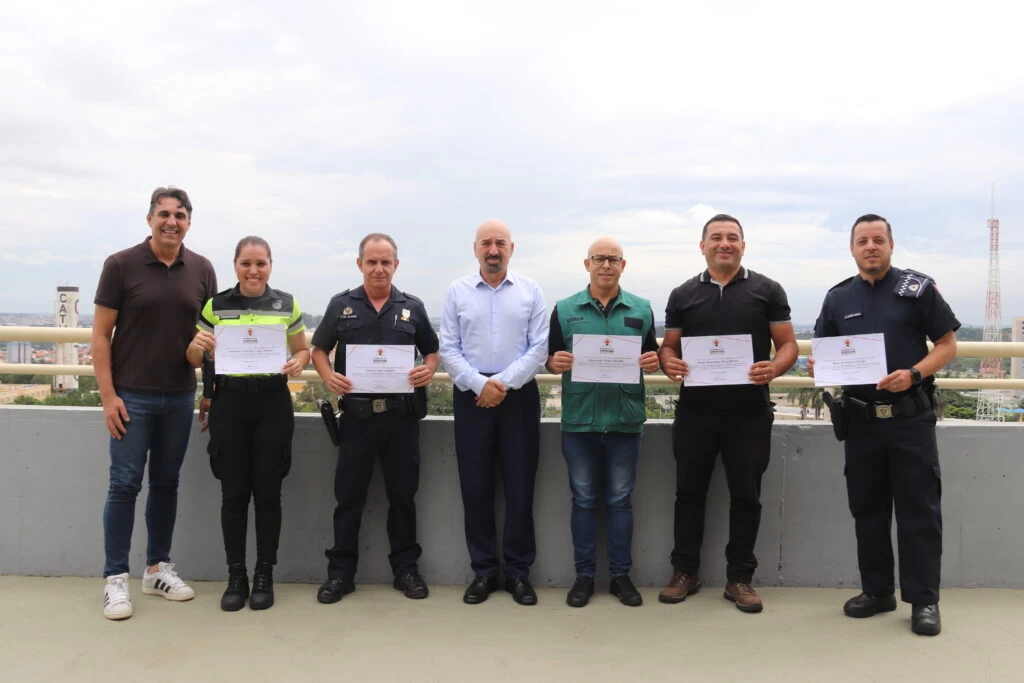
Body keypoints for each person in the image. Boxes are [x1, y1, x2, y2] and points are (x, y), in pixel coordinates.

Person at [810, 214, 958, 636]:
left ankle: (924, 601)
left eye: (878, 240)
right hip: (861, 423)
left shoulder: (917, 289)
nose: (870, 246)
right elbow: (824, 352)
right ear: (852, 248)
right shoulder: (837, 297)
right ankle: (877, 592)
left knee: (919, 512)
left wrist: (913, 373)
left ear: (891, 245)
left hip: (910, 420)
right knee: (868, 511)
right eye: (862, 241)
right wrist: (818, 366)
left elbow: (947, 345)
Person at [657, 213, 797, 613]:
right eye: (715, 237)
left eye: (732, 237)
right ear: (702, 246)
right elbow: (669, 347)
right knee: (688, 493)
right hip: (696, 412)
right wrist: (670, 363)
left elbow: (787, 344)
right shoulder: (683, 294)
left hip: (749, 413)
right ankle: (685, 571)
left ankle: (740, 578)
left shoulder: (767, 290)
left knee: (747, 496)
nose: (724, 243)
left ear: (743, 245)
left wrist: (775, 367)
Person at [92, 186, 217, 620]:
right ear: (149, 219)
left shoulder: (201, 269)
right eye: (164, 213)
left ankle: (157, 569)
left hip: (181, 395)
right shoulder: (120, 265)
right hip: (131, 397)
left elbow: (211, 338)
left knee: (166, 483)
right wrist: (108, 397)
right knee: (124, 485)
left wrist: (209, 393)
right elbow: (99, 335)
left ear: (189, 221)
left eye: (180, 214)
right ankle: (115, 580)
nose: (172, 221)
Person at [311, 233, 439, 603]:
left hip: (401, 420)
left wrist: (428, 370)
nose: (379, 268)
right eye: (372, 262)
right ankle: (340, 575)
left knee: (403, 497)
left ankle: (406, 571)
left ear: (396, 265)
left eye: (386, 262)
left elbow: (431, 352)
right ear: (360, 264)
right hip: (356, 418)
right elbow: (319, 350)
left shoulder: (412, 307)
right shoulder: (341, 305)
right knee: (348, 497)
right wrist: (326, 375)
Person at [186, 236, 309, 611]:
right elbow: (192, 356)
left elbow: (302, 348)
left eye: (261, 264)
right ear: (235, 265)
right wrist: (199, 345)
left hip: (272, 402)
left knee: (269, 494)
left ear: (270, 265)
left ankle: (264, 575)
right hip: (230, 403)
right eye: (246, 264)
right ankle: (236, 575)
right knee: (234, 494)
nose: (253, 271)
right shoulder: (216, 305)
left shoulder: (286, 303)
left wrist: (299, 362)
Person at [546, 237, 660, 607]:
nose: (606, 265)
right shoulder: (564, 309)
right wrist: (555, 363)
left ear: (623, 265)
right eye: (599, 259)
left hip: (625, 420)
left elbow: (652, 355)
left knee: (620, 501)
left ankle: (620, 577)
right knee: (583, 500)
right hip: (580, 420)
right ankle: (583, 576)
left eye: (613, 259)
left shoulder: (641, 309)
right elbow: (549, 357)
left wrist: (652, 362)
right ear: (587, 264)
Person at [440, 220, 549, 606]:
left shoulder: (530, 290)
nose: (493, 250)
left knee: (520, 487)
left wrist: (499, 384)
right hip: (471, 397)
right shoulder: (457, 292)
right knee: (476, 487)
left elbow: (539, 348)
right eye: (486, 243)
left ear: (511, 248)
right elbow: (448, 348)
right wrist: (478, 384)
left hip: (517, 397)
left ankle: (519, 573)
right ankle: (484, 572)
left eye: (500, 243)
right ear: (475, 249)